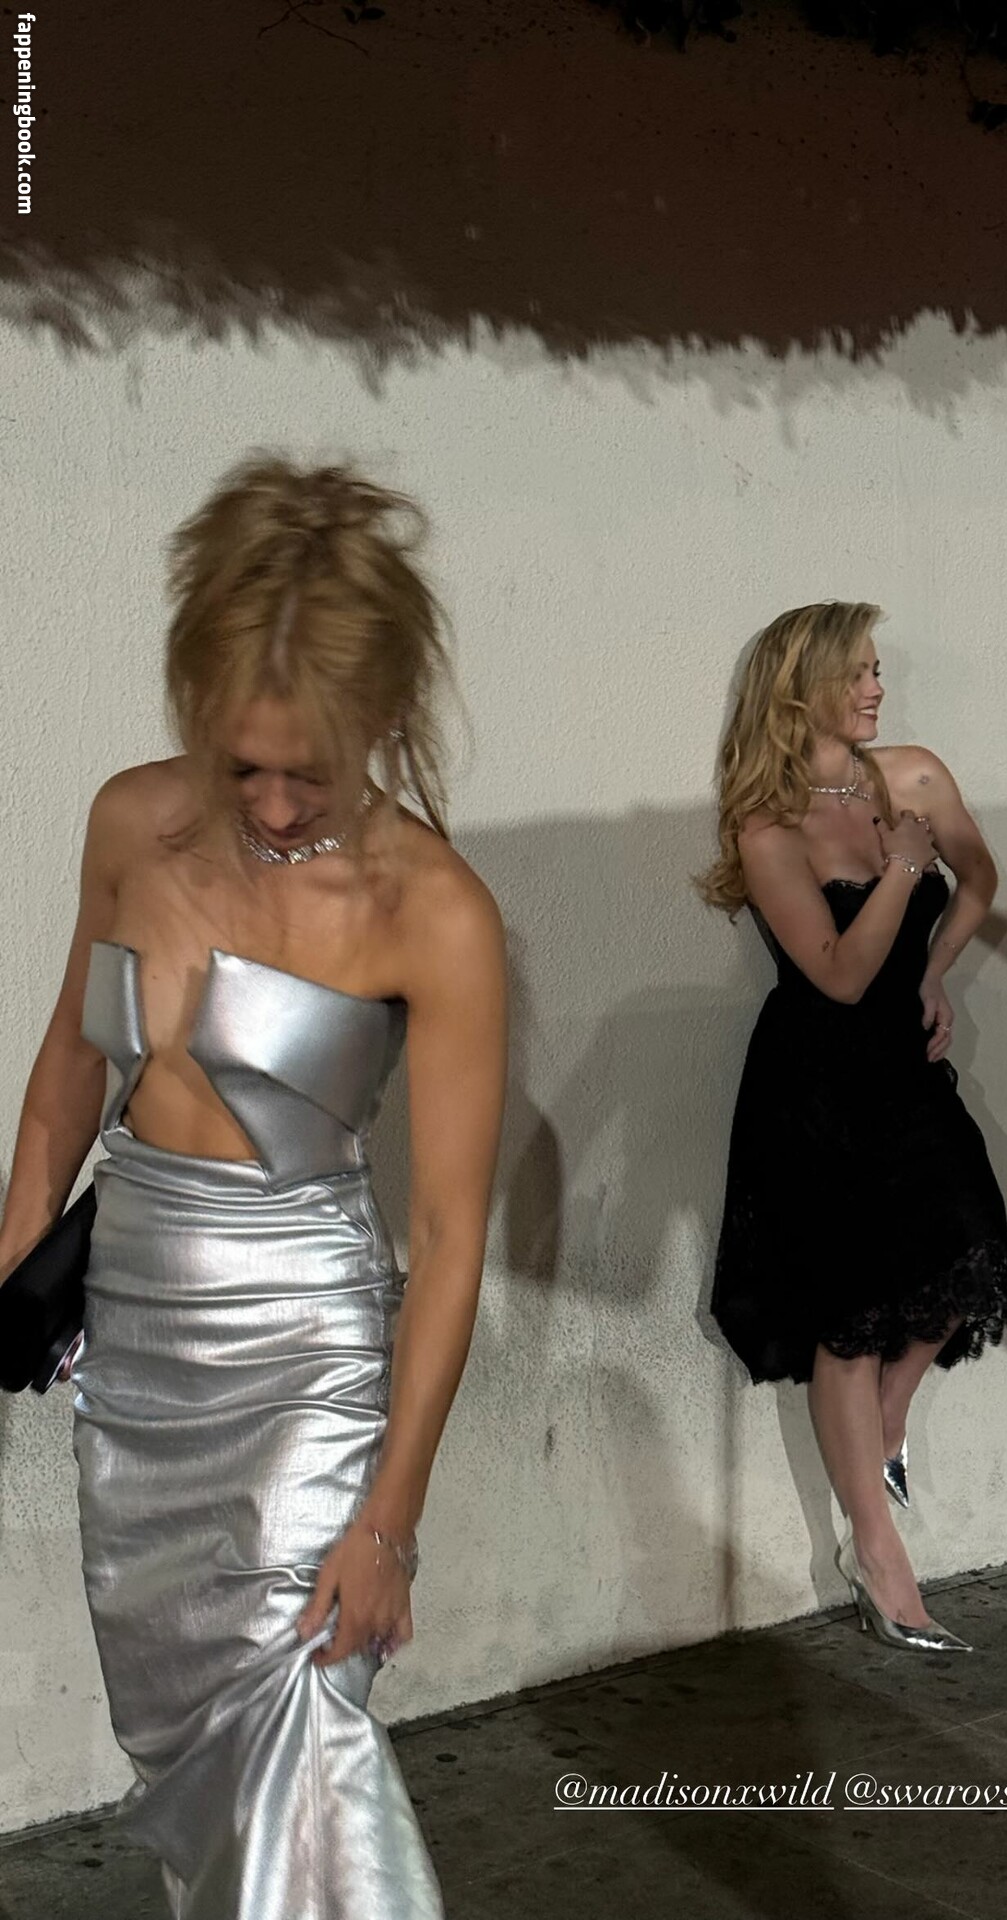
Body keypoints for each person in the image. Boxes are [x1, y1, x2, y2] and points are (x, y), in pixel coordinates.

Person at [0, 453, 507, 1918]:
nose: (276, 805)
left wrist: (389, 1521)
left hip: (305, 1362)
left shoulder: (436, 912)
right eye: (242, 766)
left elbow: (449, 1238)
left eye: (312, 770)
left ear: (384, 718)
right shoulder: (130, 825)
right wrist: (13, 1277)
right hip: (137, 1356)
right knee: (199, 1773)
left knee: (304, 1749)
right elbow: (67, 1072)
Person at [698, 601, 1007, 1653]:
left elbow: (981, 878)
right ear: (801, 690)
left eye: (878, 670)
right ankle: (878, 1558)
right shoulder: (766, 824)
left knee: (968, 1245)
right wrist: (901, 870)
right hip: (816, 1086)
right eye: (858, 673)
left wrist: (936, 970)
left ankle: (883, 1426)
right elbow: (837, 975)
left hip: (905, 1067)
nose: (878, 688)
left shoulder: (913, 776)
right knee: (847, 1318)